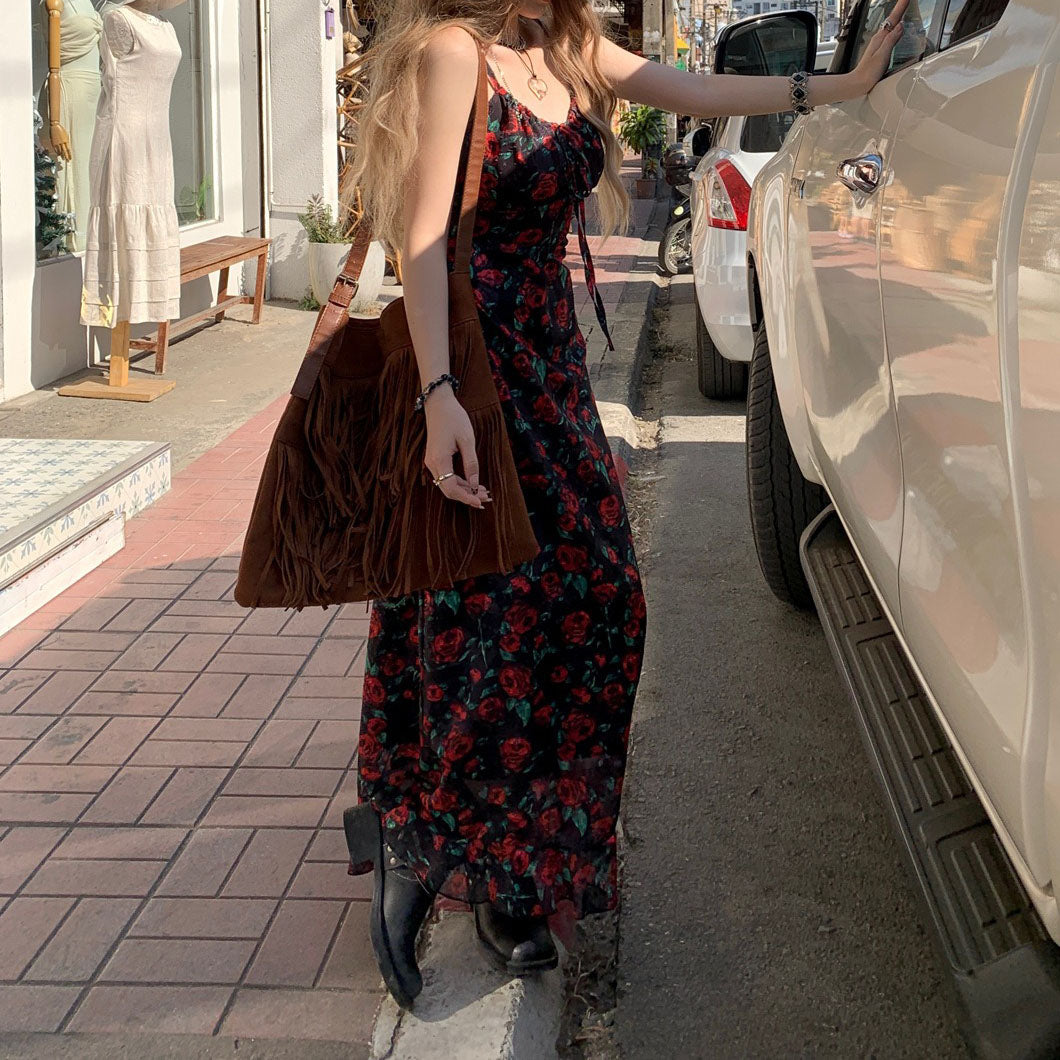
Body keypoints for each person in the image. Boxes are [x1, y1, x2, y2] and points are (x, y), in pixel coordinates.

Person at [340, 0, 909, 1009]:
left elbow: (696, 88)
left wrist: (840, 86)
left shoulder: (564, 46)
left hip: (549, 361)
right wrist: (437, 398)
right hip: (475, 368)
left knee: (599, 600)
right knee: (475, 612)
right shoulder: (453, 52)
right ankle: (439, 848)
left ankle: (508, 853)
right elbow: (422, 238)